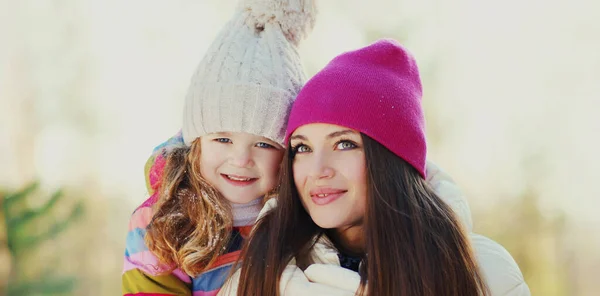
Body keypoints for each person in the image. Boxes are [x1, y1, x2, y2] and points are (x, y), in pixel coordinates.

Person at [221, 39, 530, 295]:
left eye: (344, 144)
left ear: (392, 159)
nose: (317, 169)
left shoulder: (483, 268)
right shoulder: (263, 269)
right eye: (302, 147)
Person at [121, 0, 317, 294]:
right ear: (196, 142)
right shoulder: (161, 222)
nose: (240, 159)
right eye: (223, 139)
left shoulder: (302, 215)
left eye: (264, 144)